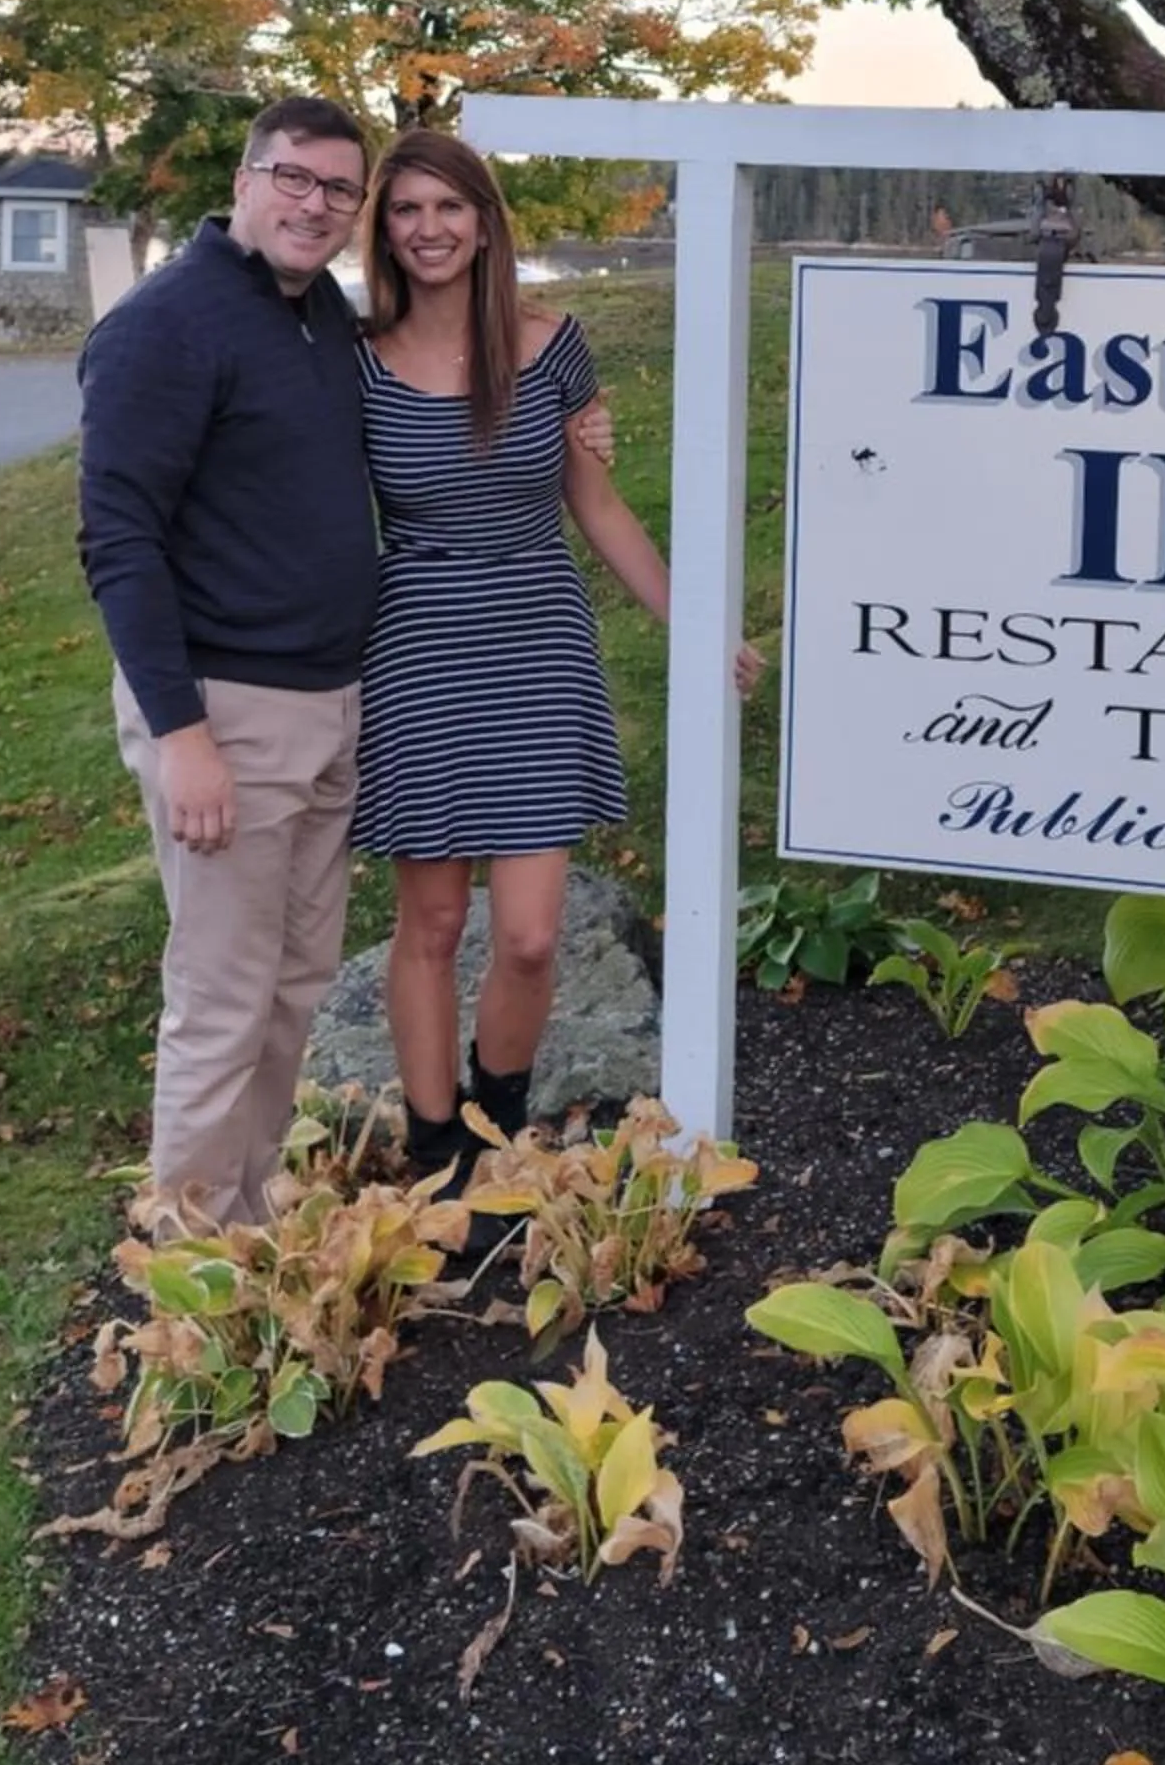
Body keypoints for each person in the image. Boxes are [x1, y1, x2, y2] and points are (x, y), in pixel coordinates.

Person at [351, 127, 761, 1176]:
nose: (429, 229)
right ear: (384, 232)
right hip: (417, 643)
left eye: (450, 208)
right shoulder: (352, 360)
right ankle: (438, 1150)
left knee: (530, 932)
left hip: (537, 634)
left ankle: (498, 1120)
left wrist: (696, 622)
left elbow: (598, 504)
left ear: (486, 223)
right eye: (407, 211)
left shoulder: (552, 346)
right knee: (435, 920)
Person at [77, 94, 378, 1230]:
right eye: (293, 177)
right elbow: (118, 540)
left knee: (294, 989)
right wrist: (181, 736)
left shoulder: (317, 316)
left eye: (338, 190)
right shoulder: (167, 325)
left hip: (328, 702)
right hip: (226, 714)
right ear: (246, 179)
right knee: (220, 1000)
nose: (315, 204)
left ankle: (246, 1224)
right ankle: (194, 1277)